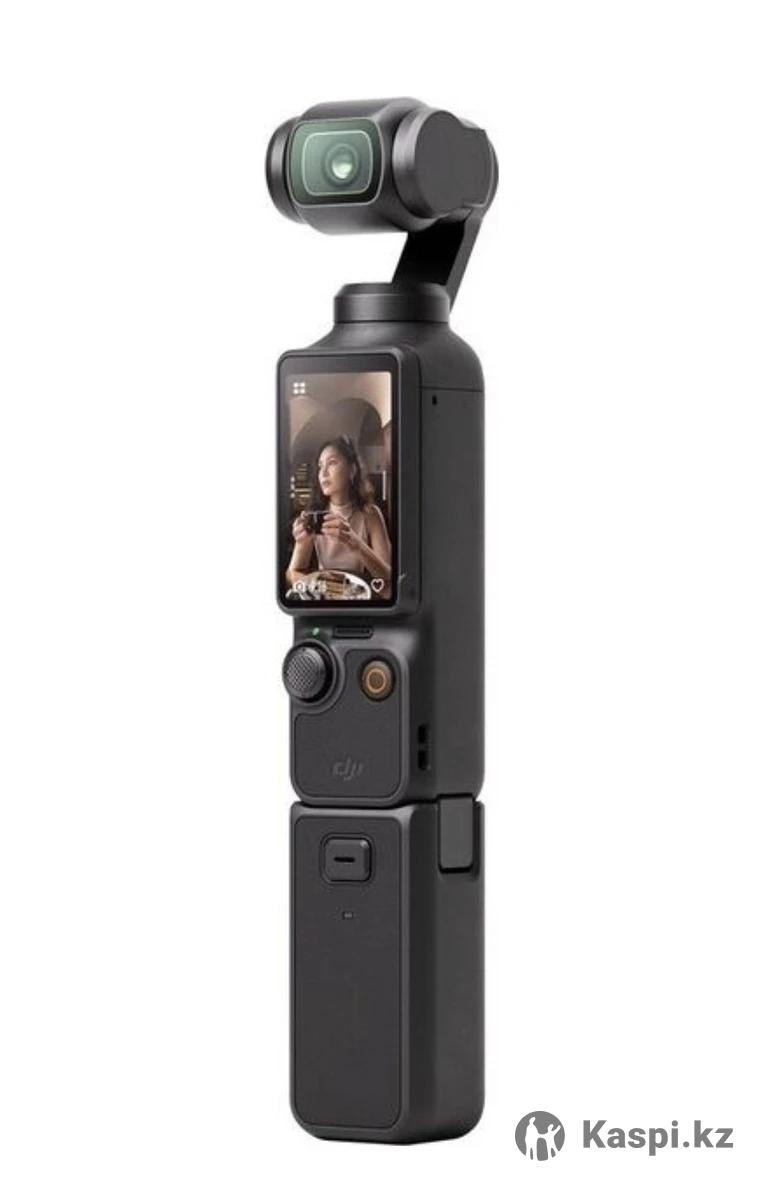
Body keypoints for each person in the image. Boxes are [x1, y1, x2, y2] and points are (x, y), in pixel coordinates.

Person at [286, 435, 392, 590]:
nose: (323, 473)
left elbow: (388, 576)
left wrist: (356, 544)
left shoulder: (371, 513)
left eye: (332, 463)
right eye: (320, 466)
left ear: (352, 470)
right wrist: (301, 543)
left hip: (356, 594)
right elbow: (292, 573)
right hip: (324, 594)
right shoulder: (314, 516)